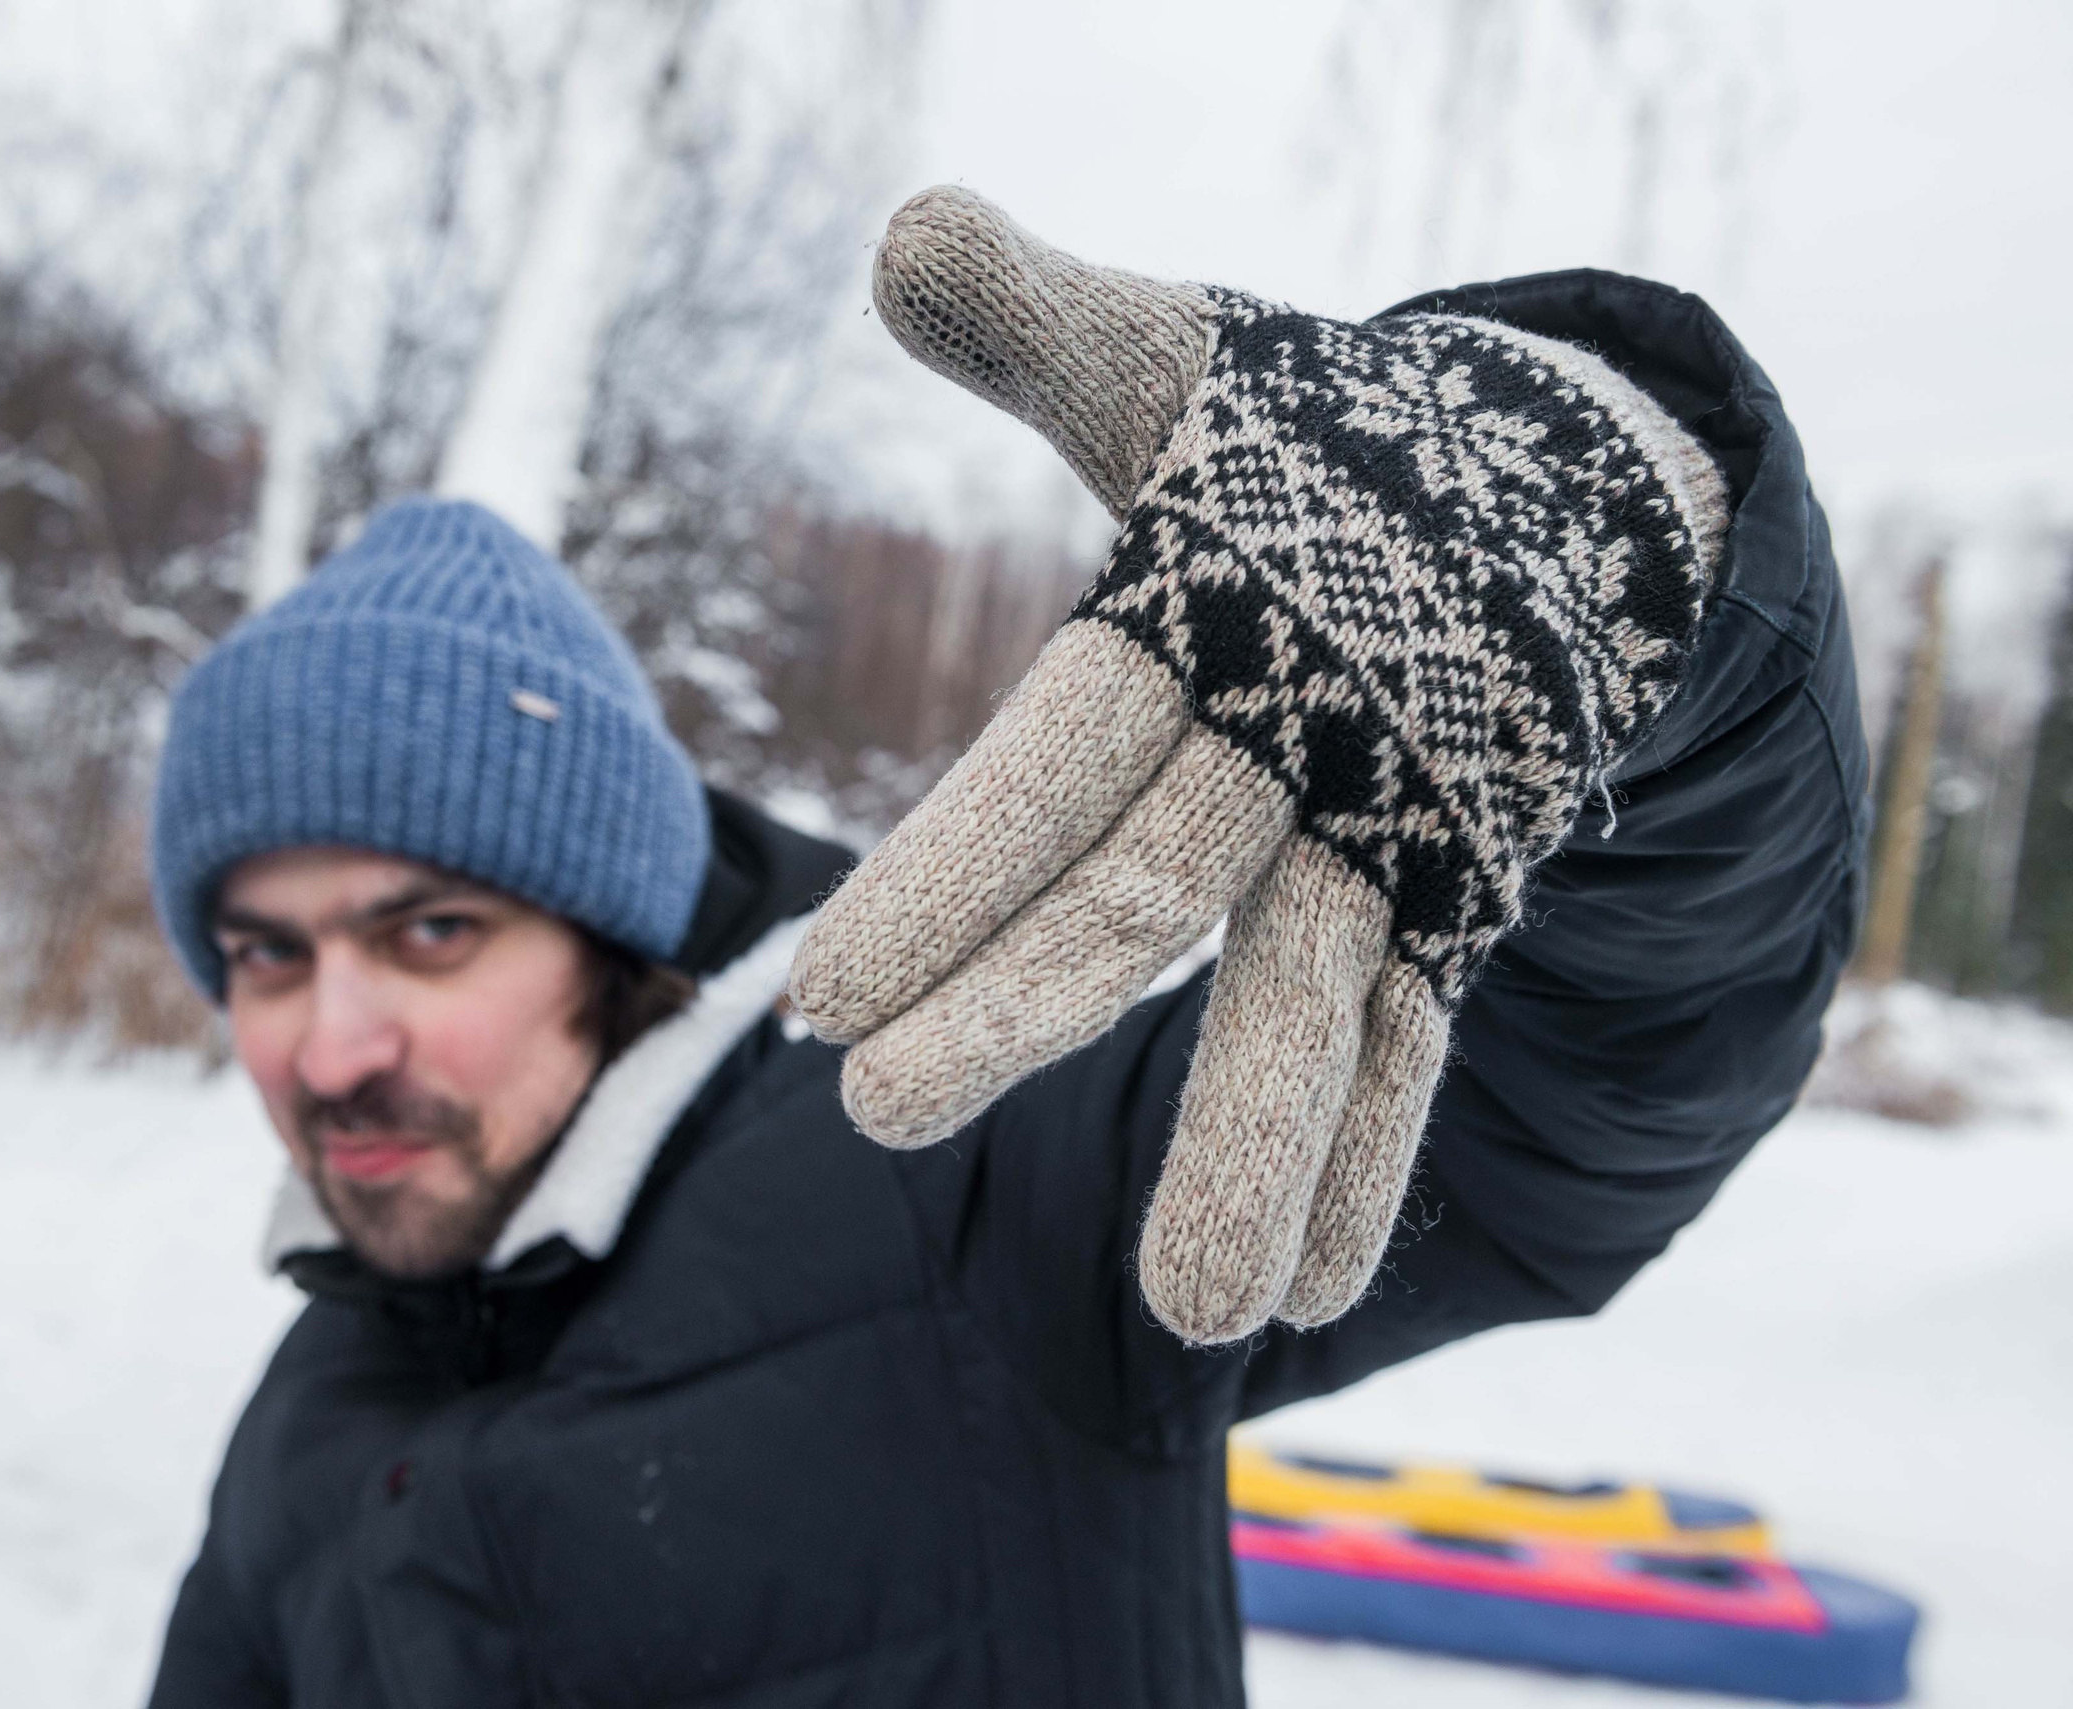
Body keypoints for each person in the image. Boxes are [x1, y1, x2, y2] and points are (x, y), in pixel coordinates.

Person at [143, 187, 1864, 1708]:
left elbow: (1599, 1108)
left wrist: (1670, 631)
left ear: (615, 927)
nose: (332, 1040)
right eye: (266, 953)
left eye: (431, 930)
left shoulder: (970, 1171)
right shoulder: (302, 1425)